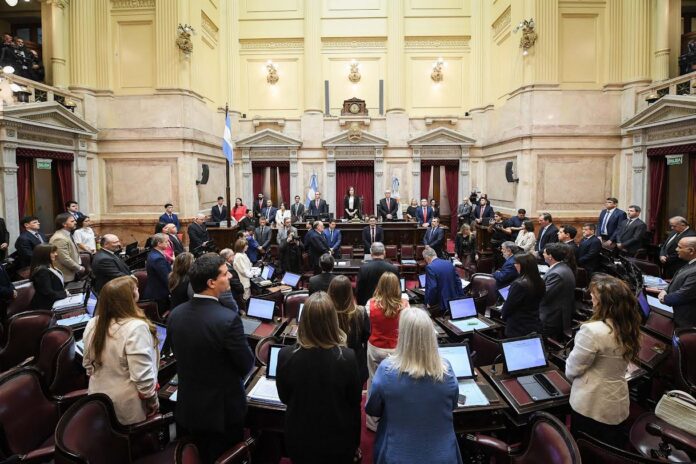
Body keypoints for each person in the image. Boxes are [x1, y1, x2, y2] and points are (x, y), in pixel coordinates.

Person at [167, 253, 254, 463]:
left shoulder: (175, 314)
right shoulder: (228, 319)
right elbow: (246, 364)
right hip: (222, 413)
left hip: (188, 406)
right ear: (211, 283)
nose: (230, 276)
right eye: (225, 274)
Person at [366, 307, 462, 464]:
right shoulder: (446, 370)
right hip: (443, 457)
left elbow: (373, 409)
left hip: (396, 456)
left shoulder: (386, 370)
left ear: (402, 336)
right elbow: (453, 404)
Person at [276, 292, 362, 464]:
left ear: (304, 321)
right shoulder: (347, 357)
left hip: (300, 437)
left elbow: (284, 398)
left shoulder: (285, 355)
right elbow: (354, 402)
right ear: (333, 321)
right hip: (338, 438)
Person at [566, 275, 641, 447]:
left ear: (604, 303)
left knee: (584, 447)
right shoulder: (629, 325)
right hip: (617, 399)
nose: (591, 299)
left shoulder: (591, 331)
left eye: (594, 296)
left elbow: (573, 369)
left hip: (591, 402)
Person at [82, 276, 160, 425]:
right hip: (128, 406)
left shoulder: (93, 323)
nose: (138, 290)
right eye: (136, 288)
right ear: (131, 297)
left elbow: (87, 365)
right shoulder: (136, 327)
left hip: (97, 401)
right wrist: (153, 401)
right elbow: (143, 379)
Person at [365, 272, 409, 431]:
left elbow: (367, 325)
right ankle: (395, 418)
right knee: (398, 383)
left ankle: (372, 423)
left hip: (376, 348)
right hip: (397, 349)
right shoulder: (405, 305)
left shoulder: (370, 304)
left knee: (373, 382)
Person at [328, 275, 370, 385]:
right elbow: (366, 337)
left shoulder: (326, 314)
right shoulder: (361, 312)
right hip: (356, 363)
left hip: (331, 365)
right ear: (350, 292)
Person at [500, 253, 544, 338]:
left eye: (516, 263)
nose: (514, 265)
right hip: (534, 322)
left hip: (518, 327)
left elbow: (509, 306)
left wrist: (503, 315)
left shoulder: (519, 284)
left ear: (522, 265)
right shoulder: (540, 281)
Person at [539, 243, 576, 339]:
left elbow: (544, 296)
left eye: (544, 253)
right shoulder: (562, 267)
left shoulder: (556, 274)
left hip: (552, 317)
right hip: (556, 312)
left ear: (550, 256)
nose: (543, 254)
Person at [658, 237, 696, 329]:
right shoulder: (690, 263)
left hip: (685, 321)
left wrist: (664, 298)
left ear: (691, 251)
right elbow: (675, 279)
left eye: (679, 247)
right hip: (675, 311)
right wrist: (665, 290)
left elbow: (684, 294)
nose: (676, 249)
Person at [423, 247, 465, 311]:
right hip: (453, 300)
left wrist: (430, 302)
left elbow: (432, 287)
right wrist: (461, 297)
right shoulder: (449, 263)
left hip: (440, 304)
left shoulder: (430, 267)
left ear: (427, 258)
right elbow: (458, 282)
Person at [29, 244, 70, 309]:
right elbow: (47, 292)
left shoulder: (49, 267)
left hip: (57, 300)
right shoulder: (42, 271)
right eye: (53, 252)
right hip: (49, 306)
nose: (56, 254)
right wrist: (64, 294)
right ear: (44, 255)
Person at [49, 213, 84, 282]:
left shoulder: (67, 234)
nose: (75, 222)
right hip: (66, 275)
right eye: (72, 221)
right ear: (64, 224)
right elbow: (64, 258)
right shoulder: (59, 238)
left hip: (72, 271)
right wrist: (79, 268)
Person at [143, 234, 172, 312]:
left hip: (157, 291)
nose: (168, 244)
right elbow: (166, 278)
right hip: (159, 294)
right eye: (166, 242)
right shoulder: (158, 258)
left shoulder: (155, 253)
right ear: (159, 244)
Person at [232, 238, 254, 303]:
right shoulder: (239, 256)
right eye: (246, 245)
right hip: (243, 282)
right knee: (245, 300)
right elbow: (244, 271)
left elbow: (248, 265)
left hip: (246, 280)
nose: (247, 246)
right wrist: (253, 274)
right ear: (241, 247)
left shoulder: (243, 254)